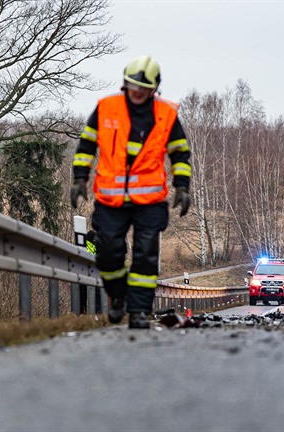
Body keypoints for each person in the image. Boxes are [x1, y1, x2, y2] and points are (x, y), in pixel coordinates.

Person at [70, 55, 192, 329]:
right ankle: (119, 295)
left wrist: (182, 186)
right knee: (107, 250)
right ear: (125, 84)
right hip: (111, 199)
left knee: (145, 255)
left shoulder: (166, 114)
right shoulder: (106, 108)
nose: (136, 92)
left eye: (143, 88)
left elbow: (180, 154)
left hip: (149, 201)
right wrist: (80, 180)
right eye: (132, 86)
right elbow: (87, 145)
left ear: (153, 89)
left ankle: (138, 311)